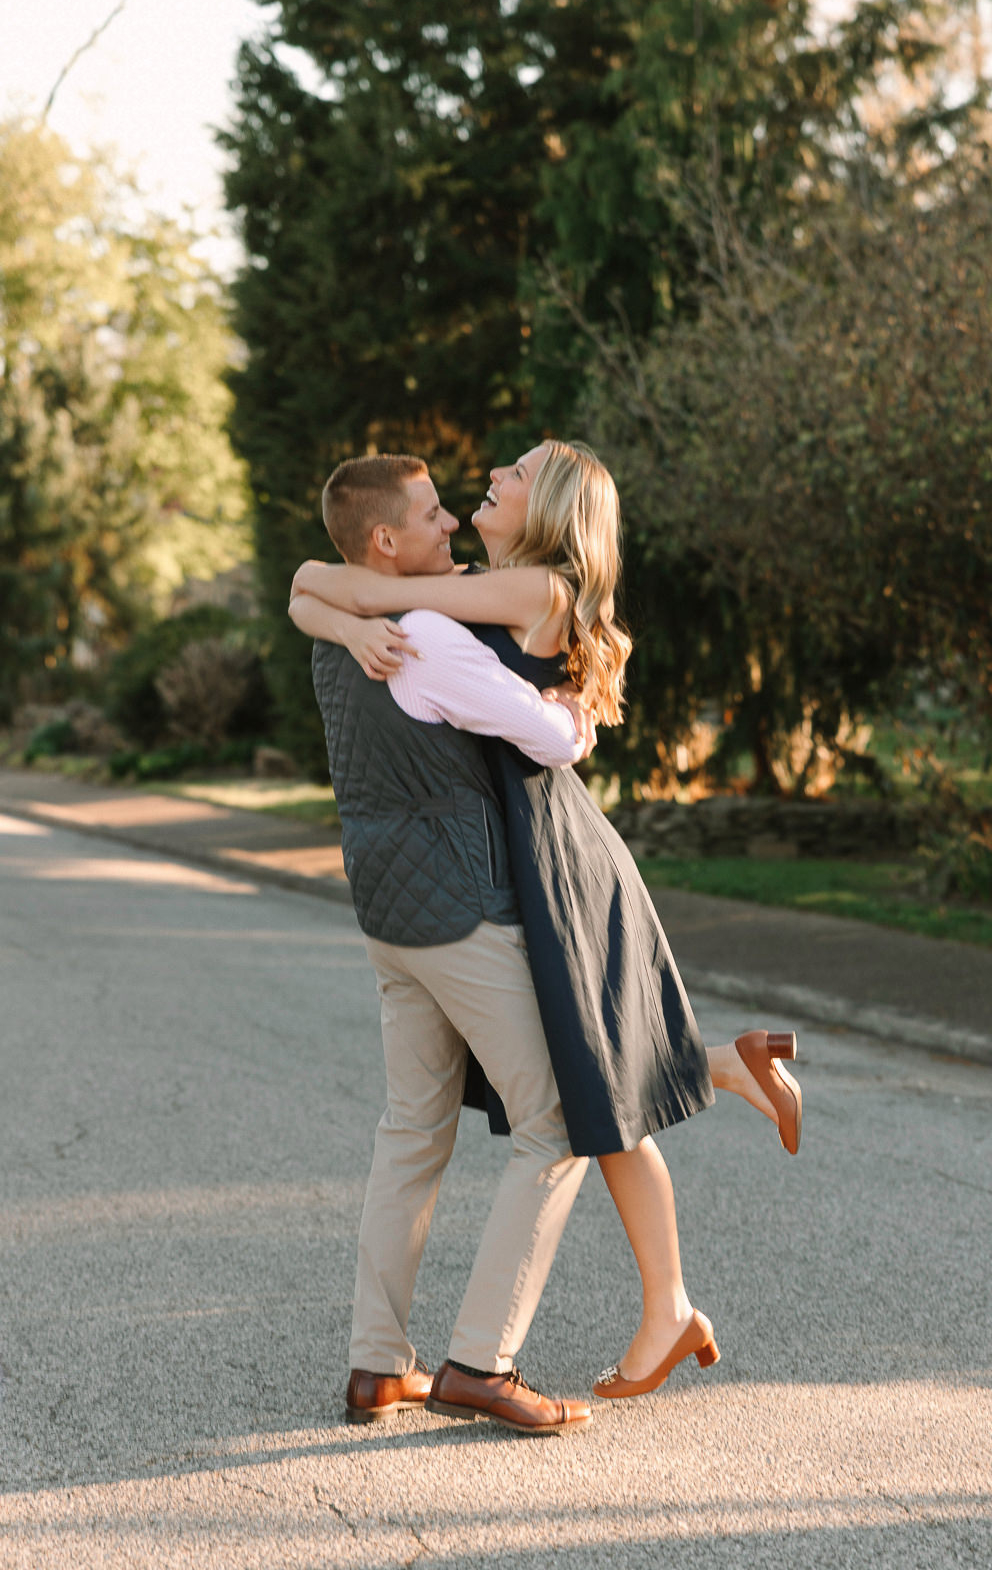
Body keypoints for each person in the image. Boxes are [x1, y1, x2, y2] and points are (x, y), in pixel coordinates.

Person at [291, 440, 802, 1401]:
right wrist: (337, 602)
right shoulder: (463, 593)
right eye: (440, 507)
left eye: (512, 474)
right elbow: (339, 584)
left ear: (552, 506)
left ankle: (424, 1355)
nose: (482, 486)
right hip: (499, 860)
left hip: (549, 851)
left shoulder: (521, 592)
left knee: (570, 1091)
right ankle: (510, 1348)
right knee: (576, 1098)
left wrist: (340, 601)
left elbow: (368, 595)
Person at [293, 453, 599, 1436]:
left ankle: (378, 1365)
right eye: (430, 515)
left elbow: (306, 586)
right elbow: (546, 740)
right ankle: (482, 1360)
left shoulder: (342, 634)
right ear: (384, 541)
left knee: (412, 1134)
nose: (450, 528)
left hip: (384, 911)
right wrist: (577, 707)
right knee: (553, 1126)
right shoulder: (427, 634)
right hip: (461, 909)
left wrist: (335, 608)